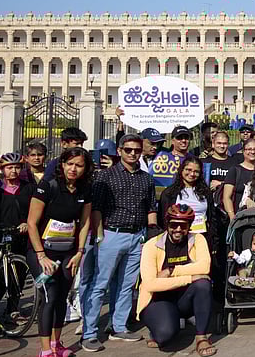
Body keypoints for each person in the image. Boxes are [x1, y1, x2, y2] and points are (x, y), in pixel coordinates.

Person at [81, 134, 158, 350]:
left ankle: (118, 326)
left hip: (137, 236)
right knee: (100, 284)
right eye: (128, 150)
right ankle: (89, 332)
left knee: (126, 285)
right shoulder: (105, 176)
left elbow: (151, 207)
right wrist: (99, 236)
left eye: (137, 150)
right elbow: (96, 208)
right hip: (111, 234)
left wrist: (150, 234)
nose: (133, 154)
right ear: (120, 151)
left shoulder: (146, 178)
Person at [27, 147, 93, 357]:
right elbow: (31, 223)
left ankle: (57, 343)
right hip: (42, 250)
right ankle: (45, 350)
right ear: (62, 164)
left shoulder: (85, 189)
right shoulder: (48, 186)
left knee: (63, 295)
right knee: (50, 296)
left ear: (85, 168)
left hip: (68, 251)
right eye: (69, 164)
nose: (73, 169)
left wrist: (80, 252)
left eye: (79, 165)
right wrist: (41, 255)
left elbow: (84, 223)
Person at [137, 204, 215, 356]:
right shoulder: (151, 245)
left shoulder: (198, 240)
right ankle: (163, 324)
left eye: (183, 226)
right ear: (167, 224)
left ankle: (201, 337)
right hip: (158, 300)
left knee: (203, 284)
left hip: (183, 298)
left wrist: (172, 271)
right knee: (165, 337)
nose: (178, 229)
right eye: (174, 225)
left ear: (189, 227)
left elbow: (204, 268)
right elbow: (151, 283)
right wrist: (190, 277)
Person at [0, 153, 35, 325]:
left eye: (17, 167)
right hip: (1, 234)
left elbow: (35, 209)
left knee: (18, 274)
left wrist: (27, 222)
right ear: (2, 169)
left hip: (21, 235)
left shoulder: (28, 187)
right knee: (1, 274)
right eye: (9, 167)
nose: (13, 171)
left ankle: (12, 310)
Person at [221, 138, 255, 221]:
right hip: (239, 217)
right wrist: (232, 217)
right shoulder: (235, 170)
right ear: (243, 151)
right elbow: (226, 197)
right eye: (249, 149)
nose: (252, 152)